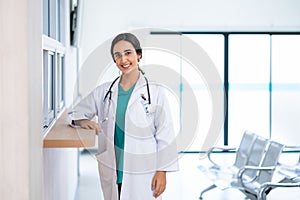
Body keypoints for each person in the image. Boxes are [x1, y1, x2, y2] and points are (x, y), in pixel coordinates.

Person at [68, 33, 179, 200]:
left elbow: (165, 134)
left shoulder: (155, 92)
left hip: (143, 170)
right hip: (113, 167)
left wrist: (162, 171)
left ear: (139, 55)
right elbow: (74, 113)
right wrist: (83, 121)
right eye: (117, 55)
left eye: (128, 53)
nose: (123, 60)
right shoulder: (103, 92)